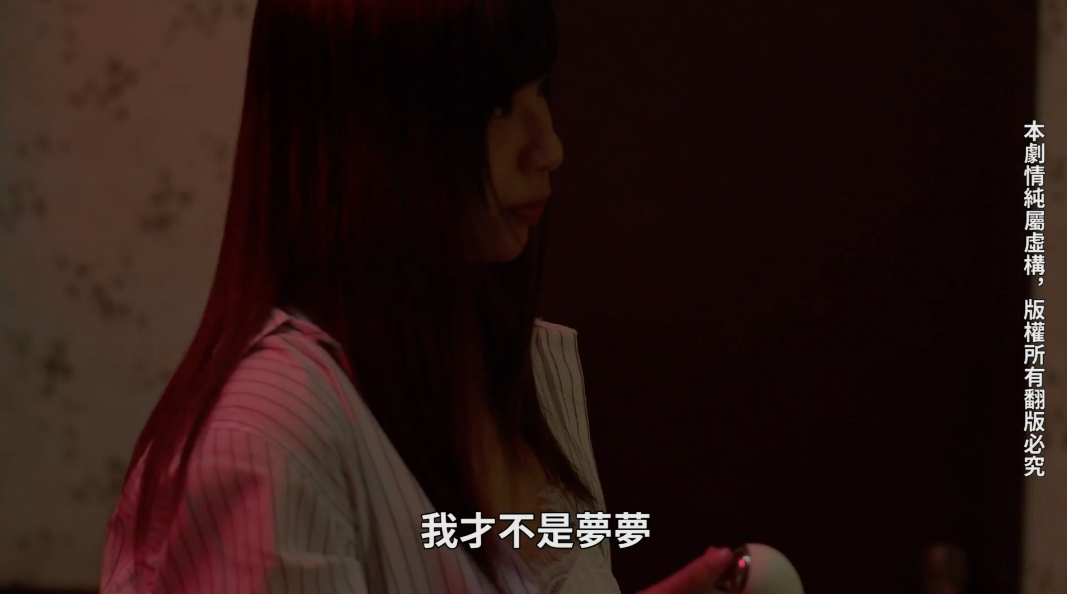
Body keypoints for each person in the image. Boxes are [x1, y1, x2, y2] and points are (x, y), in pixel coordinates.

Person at [99, 0, 735, 592]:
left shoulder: (522, 363)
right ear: (363, 126)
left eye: (541, 90)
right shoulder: (267, 436)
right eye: (496, 106)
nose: (549, 148)